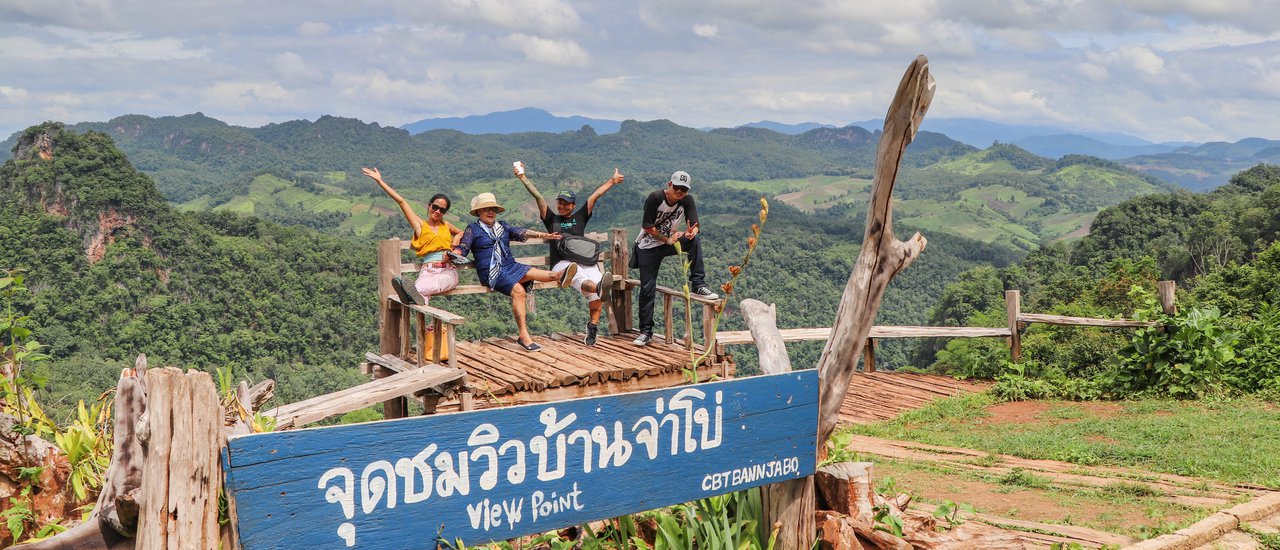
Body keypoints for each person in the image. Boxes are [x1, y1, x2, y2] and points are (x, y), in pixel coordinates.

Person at [453, 192, 577, 352]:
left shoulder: (502, 226)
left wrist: (544, 235)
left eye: (493, 209)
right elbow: (463, 247)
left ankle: (562, 275)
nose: (491, 212)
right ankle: (523, 336)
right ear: (478, 212)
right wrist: (454, 251)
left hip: (510, 266)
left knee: (550, 275)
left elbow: (521, 232)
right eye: (486, 209)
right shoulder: (473, 229)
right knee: (519, 291)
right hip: (492, 271)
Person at [515, 164, 624, 345]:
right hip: (562, 263)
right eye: (560, 202)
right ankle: (598, 287)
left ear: (573, 205)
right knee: (583, 277)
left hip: (586, 261)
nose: (562, 206)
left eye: (566, 203)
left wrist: (612, 181)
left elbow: (594, 196)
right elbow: (538, 196)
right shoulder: (551, 219)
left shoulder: (580, 217)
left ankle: (593, 327)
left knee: (597, 282)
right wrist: (523, 177)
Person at [632, 170, 718, 346]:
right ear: (669, 185)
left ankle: (698, 284)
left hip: (669, 242)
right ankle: (646, 332)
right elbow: (648, 226)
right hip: (648, 246)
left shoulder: (687, 200)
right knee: (648, 289)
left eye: (684, 190)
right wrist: (667, 239)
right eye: (677, 188)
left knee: (694, 243)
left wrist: (692, 232)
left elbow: (694, 224)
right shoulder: (655, 198)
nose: (680, 192)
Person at [361, 167, 462, 305]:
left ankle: (406, 291)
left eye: (442, 210)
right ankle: (427, 324)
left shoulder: (447, 226)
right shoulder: (420, 225)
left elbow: (462, 232)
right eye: (435, 207)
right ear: (429, 206)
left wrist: (456, 238)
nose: (437, 211)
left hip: (448, 270)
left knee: (417, 290)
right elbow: (401, 202)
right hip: (428, 271)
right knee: (419, 299)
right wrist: (380, 181)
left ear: (445, 213)